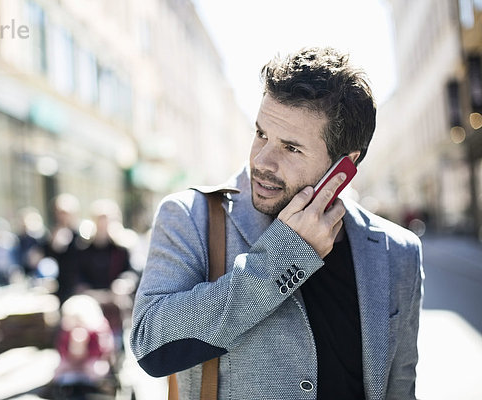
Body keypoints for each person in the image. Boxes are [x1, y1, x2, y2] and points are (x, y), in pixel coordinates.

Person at [130, 47, 424, 399]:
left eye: (291, 148)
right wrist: (283, 258)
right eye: (261, 134)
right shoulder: (189, 216)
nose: (262, 160)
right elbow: (150, 346)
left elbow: (400, 388)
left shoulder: (398, 252)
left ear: (344, 168)